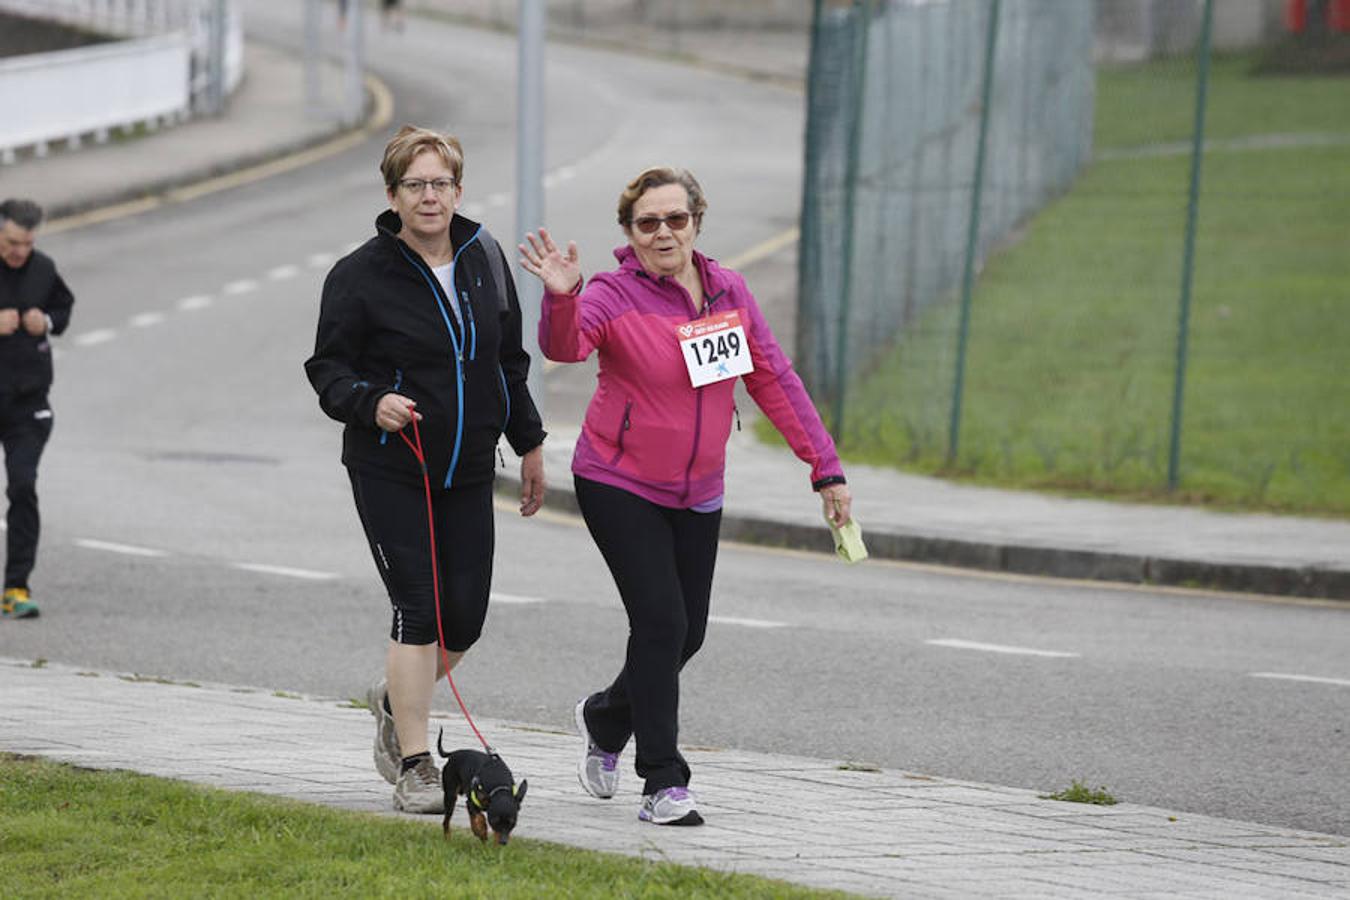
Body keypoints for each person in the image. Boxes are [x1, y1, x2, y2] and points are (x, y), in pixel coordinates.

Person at [519, 166, 853, 826]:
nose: (664, 231)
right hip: (618, 480)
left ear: (697, 220)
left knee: (686, 635)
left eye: (676, 218)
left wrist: (827, 469)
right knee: (662, 622)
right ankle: (664, 782)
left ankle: (605, 717)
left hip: (699, 489)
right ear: (630, 232)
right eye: (649, 222)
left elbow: (774, 379)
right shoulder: (613, 294)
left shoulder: (728, 290)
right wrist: (561, 296)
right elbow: (566, 345)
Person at [305, 126, 547, 814]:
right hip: (392, 468)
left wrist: (529, 442)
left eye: (441, 183)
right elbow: (328, 370)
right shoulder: (360, 275)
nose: (430, 196)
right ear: (393, 196)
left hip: (470, 468)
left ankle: (394, 697)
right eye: (415, 184)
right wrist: (369, 401)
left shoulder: (484, 256)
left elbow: (508, 361)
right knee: (418, 609)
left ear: (459, 190)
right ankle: (415, 765)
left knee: (463, 621)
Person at [0, 199, 74, 621]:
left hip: (28, 403)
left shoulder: (43, 269)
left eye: (26, 244)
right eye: (12, 243)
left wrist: (43, 321)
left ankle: (16, 586)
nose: (19, 252)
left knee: (23, 488)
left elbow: (63, 310)